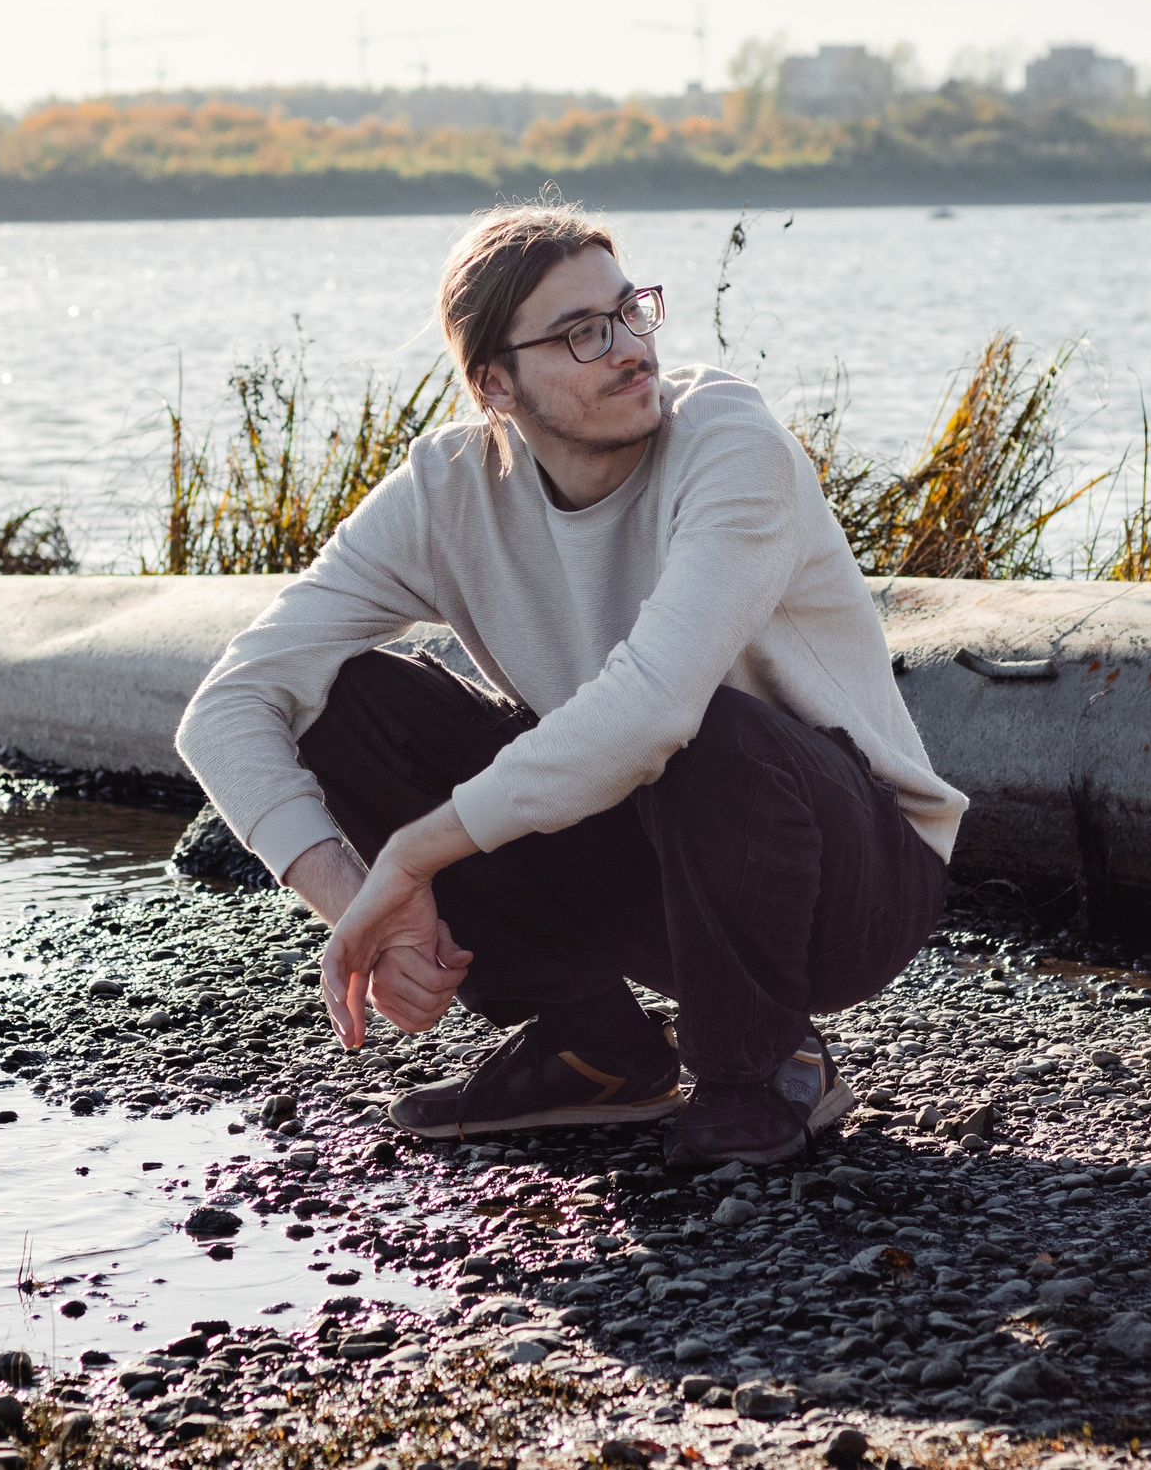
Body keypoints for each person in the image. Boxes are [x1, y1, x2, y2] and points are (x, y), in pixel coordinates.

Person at [174, 202, 965, 1164]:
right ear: (494, 383)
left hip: (852, 882)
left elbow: (655, 709)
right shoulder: (448, 489)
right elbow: (227, 705)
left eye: (630, 311)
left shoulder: (729, 441)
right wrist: (360, 905)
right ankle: (594, 1048)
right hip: (657, 864)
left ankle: (758, 1064)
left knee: (702, 730)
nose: (630, 348)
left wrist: (413, 854)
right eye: (582, 332)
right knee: (344, 699)